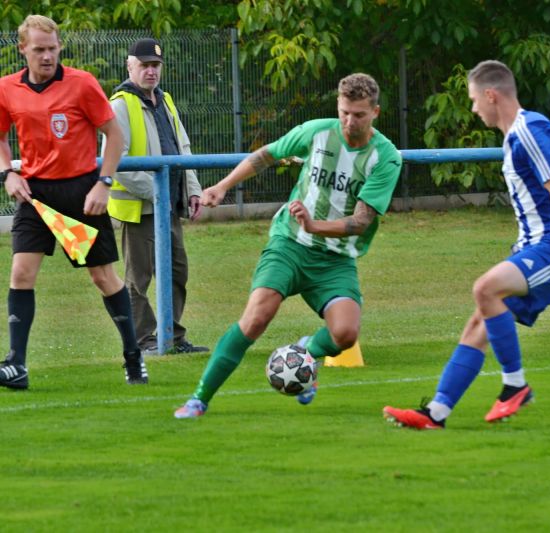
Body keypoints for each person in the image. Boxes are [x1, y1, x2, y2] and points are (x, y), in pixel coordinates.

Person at [382, 60, 550, 430]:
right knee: (476, 324)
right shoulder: (514, 136)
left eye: (473, 100)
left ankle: (515, 385)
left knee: (485, 289)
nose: (473, 109)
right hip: (535, 247)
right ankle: (436, 413)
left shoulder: (529, 129)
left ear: (490, 95)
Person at [174, 72, 402, 418]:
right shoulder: (317, 132)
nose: (349, 121)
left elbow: (360, 222)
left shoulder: (385, 157)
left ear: (376, 113)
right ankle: (199, 399)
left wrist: (315, 224)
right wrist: (222, 186)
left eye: (358, 114)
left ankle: (305, 350)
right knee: (256, 318)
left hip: (335, 259)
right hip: (290, 244)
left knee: (345, 334)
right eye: (343, 112)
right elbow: (267, 155)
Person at [0, 15, 147, 389]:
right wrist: (8, 173)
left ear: (59, 47)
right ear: (22, 50)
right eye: (39, 50)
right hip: (37, 197)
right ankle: (16, 364)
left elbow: (114, 135)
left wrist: (104, 184)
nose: (47, 56)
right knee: (21, 274)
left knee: (102, 277)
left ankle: (133, 355)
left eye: (52, 49)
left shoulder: (82, 84)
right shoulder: (7, 88)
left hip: (81, 195)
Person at [104, 38, 208, 355]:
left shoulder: (166, 101)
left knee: (177, 272)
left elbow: (183, 149)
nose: (151, 71)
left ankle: (172, 336)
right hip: (141, 210)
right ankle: (145, 339)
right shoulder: (120, 105)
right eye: (145, 65)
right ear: (130, 65)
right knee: (139, 278)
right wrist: (158, 192)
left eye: (156, 65)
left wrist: (192, 190)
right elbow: (116, 162)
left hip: (169, 207)